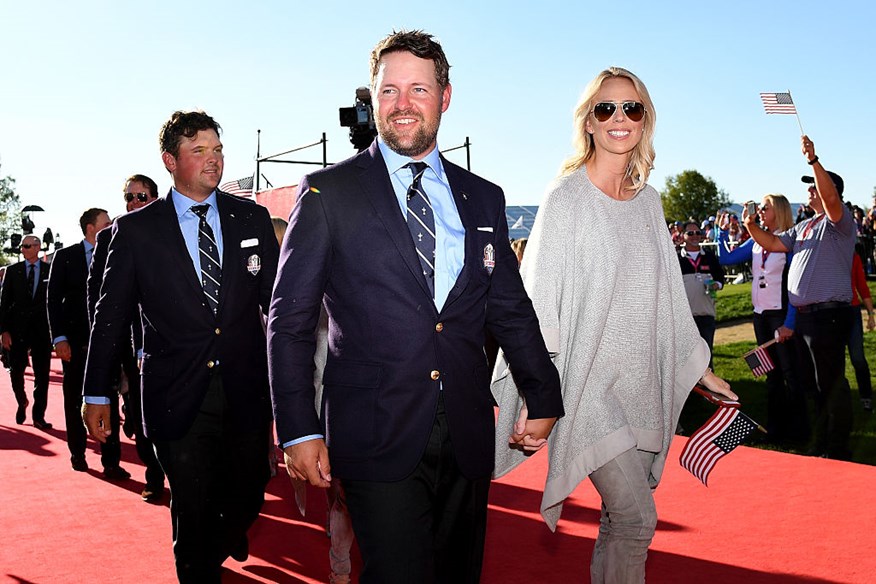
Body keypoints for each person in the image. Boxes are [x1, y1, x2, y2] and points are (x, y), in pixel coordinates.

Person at [268, 30, 563, 583]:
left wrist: (543, 391)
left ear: (445, 97)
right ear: (372, 98)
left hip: (468, 430)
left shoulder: (485, 197)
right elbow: (288, 322)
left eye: (419, 90)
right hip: (373, 431)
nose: (403, 105)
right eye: (389, 91)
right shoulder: (327, 193)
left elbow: (509, 306)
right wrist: (297, 428)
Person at [491, 67, 735, 583]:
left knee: (618, 520)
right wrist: (540, 395)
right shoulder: (565, 199)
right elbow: (539, 304)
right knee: (636, 519)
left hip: (640, 385)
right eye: (606, 109)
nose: (619, 118)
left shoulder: (649, 202)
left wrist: (702, 371)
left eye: (632, 108)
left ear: (645, 121)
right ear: (588, 123)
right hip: (585, 388)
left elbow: (669, 297)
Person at [82, 110, 279, 583]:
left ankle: (212, 550)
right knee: (191, 508)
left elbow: (280, 307)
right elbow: (109, 318)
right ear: (170, 160)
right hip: (176, 395)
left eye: (217, 150)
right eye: (199, 151)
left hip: (245, 391)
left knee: (250, 491)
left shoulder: (249, 218)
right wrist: (96, 393)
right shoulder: (133, 232)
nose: (213, 161)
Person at [742, 135, 855, 460]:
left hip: (828, 315)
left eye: (813, 186)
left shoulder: (839, 221)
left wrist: (813, 160)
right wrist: (751, 226)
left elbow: (831, 197)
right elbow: (773, 244)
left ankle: (837, 445)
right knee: (811, 383)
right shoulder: (804, 226)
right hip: (805, 316)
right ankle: (821, 440)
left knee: (830, 381)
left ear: (828, 190)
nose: (808, 191)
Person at [87, 174, 165, 502]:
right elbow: (97, 295)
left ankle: (163, 473)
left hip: (165, 340)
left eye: (142, 196)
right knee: (139, 410)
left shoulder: (167, 229)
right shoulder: (109, 237)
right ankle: (153, 474)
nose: (134, 203)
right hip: (127, 344)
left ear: (154, 198)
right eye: (130, 197)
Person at [719, 194, 809, 443]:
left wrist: (789, 322)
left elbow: (795, 286)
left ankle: (799, 430)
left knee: (790, 373)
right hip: (760, 316)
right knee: (771, 374)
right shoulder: (757, 242)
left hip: (780, 315)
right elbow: (726, 259)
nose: (759, 210)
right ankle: (775, 428)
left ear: (778, 211)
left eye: (764, 207)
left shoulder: (788, 241)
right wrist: (722, 232)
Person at [47, 208, 118, 474]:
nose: (111, 226)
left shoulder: (117, 253)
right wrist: (59, 338)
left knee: (109, 398)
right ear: (91, 228)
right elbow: (52, 300)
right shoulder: (65, 257)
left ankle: (111, 462)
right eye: (106, 223)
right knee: (74, 398)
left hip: (108, 342)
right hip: (75, 344)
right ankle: (77, 453)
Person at [0, 235, 52, 428]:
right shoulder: (12, 271)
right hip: (16, 331)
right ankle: (21, 401)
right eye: (22, 246)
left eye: (28, 246)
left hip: (41, 331)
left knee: (42, 375)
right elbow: (3, 303)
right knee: (16, 371)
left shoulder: (50, 270)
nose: (23, 249)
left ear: (37, 247)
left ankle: (39, 416)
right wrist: (3, 330)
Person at [678, 221, 725, 356]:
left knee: (706, 355)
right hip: (684, 318)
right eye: (690, 233)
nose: (695, 236)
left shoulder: (710, 257)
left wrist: (717, 284)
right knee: (687, 358)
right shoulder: (675, 259)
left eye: (698, 233)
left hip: (706, 315)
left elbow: (720, 277)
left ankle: (707, 377)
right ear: (682, 236)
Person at [848, 245, 874, 411]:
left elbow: (862, 286)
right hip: (828, 313)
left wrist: (871, 314)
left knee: (857, 357)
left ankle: (866, 397)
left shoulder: (853, 256)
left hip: (851, 311)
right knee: (834, 363)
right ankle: (838, 403)